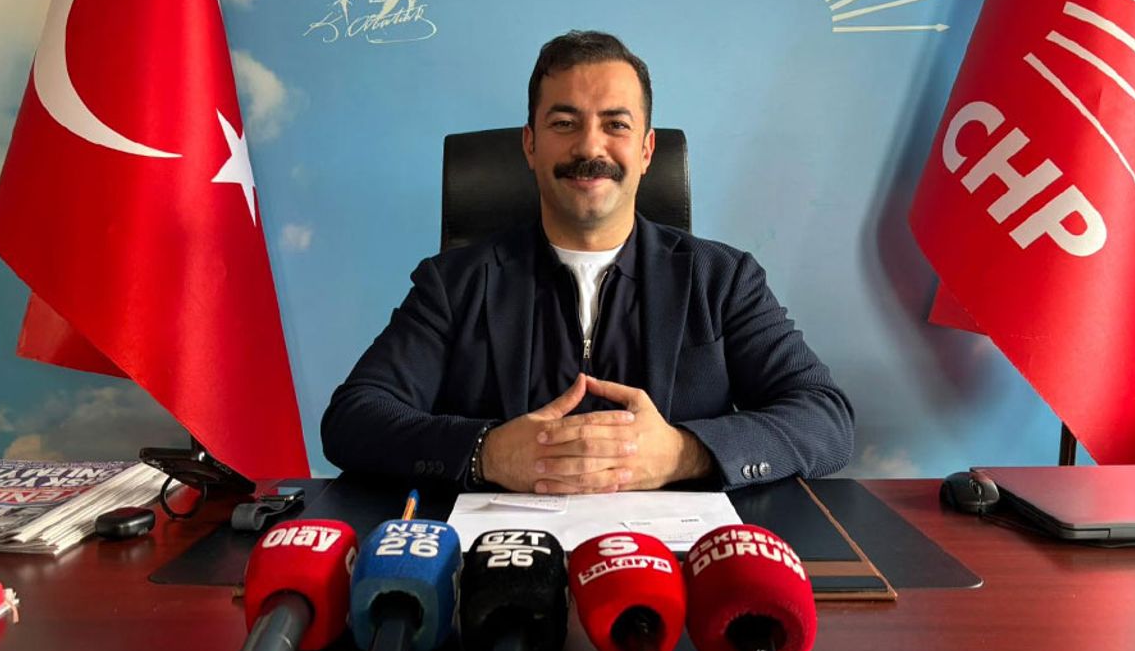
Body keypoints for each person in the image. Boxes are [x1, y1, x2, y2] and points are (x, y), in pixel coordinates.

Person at [323, 30, 853, 494]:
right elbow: (354, 418)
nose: (589, 147)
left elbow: (824, 418)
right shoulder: (452, 284)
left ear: (646, 151)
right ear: (530, 145)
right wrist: (488, 452)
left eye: (615, 124)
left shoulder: (722, 280)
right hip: (503, 554)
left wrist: (681, 452)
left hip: (676, 559)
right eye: (564, 123)